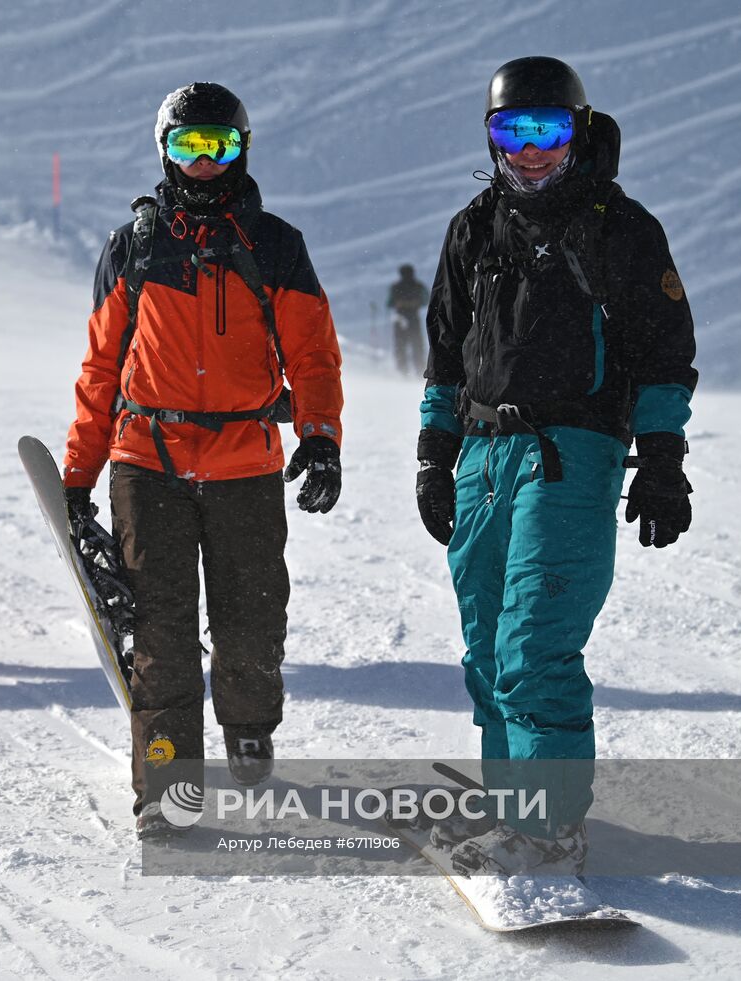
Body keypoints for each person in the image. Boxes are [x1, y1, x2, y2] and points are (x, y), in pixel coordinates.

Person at [414, 57, 698, 873]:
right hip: (483, 456)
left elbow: (663, 354)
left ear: (577, 132)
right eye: (513, 130)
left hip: (570, 453)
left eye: (549, 130)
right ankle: (515, 809)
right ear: (491, 136)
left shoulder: (622, 229)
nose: (531, 150)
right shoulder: (473, 228)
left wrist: (662, 459)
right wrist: (436, 457)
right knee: (487, 646)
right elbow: (444, 356)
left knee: (536, 642)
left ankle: (549, 830)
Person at [62, 82, 344, 839]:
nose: (204, 162)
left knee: (252, 617)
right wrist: (78, 475)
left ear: (242, 149)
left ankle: (250, 727)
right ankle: (168, 784)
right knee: (160, 631)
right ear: (164, 150)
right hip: (145, 455)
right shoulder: (135, 246)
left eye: (218, 145)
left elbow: (313, 354)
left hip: (245, 459)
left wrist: (320, 437)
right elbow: (99, 368)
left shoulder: (274, 244)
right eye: (189, 145)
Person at [385, 263, 429, 376]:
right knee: (416, 345)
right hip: (413, 318)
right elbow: (426, 300)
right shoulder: (418, 286)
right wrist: (414, 303)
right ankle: (418, 370)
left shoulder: (396, 287)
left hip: (400, 318)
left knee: (401, 346)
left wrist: (400, 303)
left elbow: (389, 303)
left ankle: (403, 371)